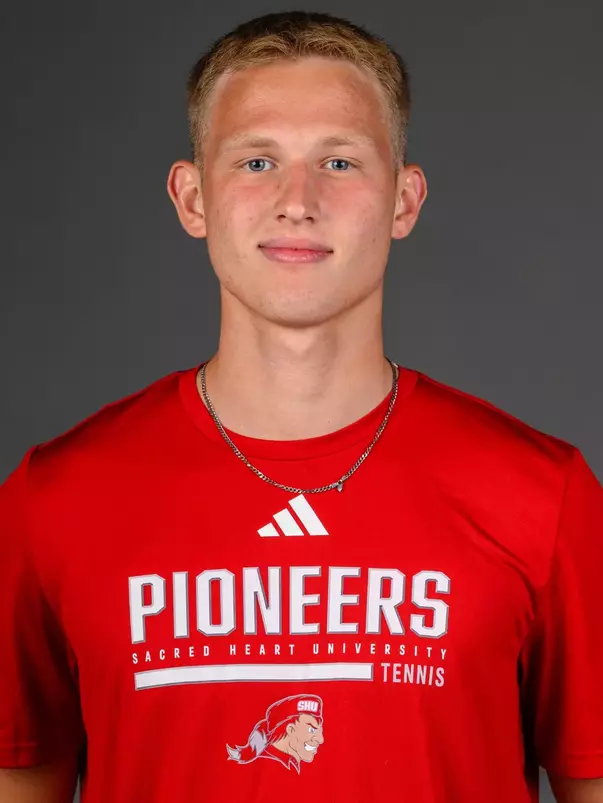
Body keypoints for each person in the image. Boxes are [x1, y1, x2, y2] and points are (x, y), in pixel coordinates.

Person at [0, 9, 601, 803]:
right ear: (192, 198)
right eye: (255, 160)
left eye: (340, 162)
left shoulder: (542, 494)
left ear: (403, 199)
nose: (296, 200)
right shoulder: (55, 497)